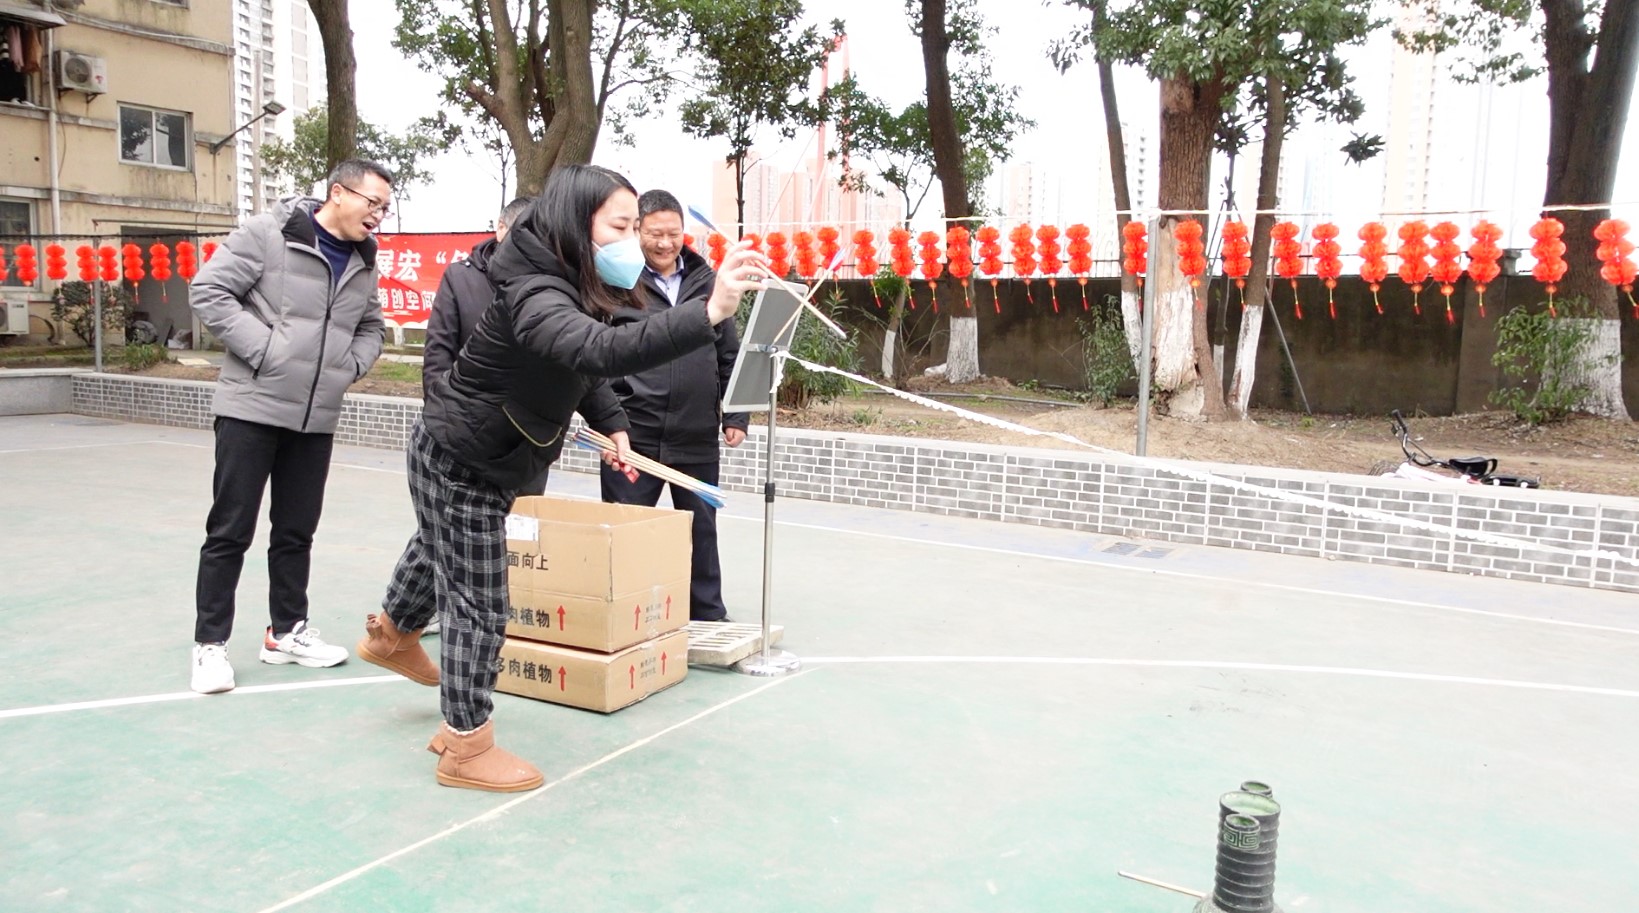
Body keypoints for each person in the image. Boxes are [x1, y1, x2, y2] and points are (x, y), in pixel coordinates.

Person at [356, 164, 767, 792]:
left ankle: (392, 633)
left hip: (489, 453)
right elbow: (595, 350)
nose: (633, 242)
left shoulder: (571, 279)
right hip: (464, 459)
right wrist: (707, 311)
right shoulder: (535, 291)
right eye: (620, 227)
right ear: (578, 224)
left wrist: (612, 421)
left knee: (436, 545)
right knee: (478, 603)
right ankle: (465, 746)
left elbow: (582, 367)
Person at [187, 159, 392, 694]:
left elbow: (372, 326)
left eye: (385, 208)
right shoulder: (267, 234)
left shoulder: (363, 258)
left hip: (316, 415)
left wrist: (347, 367)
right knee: (230, 531)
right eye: (372, 203)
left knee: (296, 531)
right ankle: (210, 645)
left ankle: (286, 632)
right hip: (251, 408)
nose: (378, 216)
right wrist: (266, 351)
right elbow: (209, 291)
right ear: (338, 193)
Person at [600, 189, 747, 622]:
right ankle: (619, 617)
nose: (665, 243)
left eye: (674, 233)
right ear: (637, 231)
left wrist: (735, 415)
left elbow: (728, 353)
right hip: (632, 436)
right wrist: (609, 419)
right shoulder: (617, 281)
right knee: (625, 531)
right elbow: (598, 356)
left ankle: (707, 614)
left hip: (695, 433)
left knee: (701, 529)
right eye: (655, 234)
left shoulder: (709, 282)